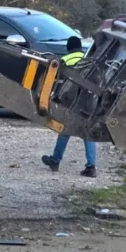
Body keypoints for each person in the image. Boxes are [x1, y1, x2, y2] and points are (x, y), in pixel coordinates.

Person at [40, 36, 96, 177]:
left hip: (72, 102)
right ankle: (91, 167)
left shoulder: (66, 60)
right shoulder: (88, 60)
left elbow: (56, 81)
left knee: (64, 132)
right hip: (89, 102)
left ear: (68, 47)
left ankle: (55, 160)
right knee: (88, 134)